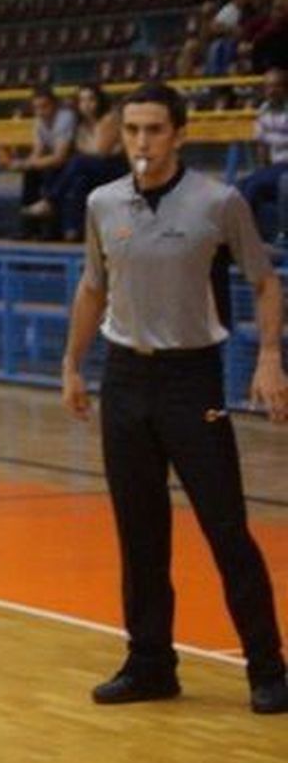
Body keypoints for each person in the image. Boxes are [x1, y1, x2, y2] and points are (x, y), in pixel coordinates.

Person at [61, 80, 288, 716]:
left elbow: (267, 284)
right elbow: (91, 289)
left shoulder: (220, 203)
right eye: (131, 130)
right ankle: (150, 663)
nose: (141, 141)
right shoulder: (104, 204)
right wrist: (72, 364)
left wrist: (270, 357)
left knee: (226, 529)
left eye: (154, 129)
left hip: (193, 382)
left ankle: (268, 668)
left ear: (180, 134)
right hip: (125, 381)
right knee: (139, 532)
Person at [21, 83, 127, 242]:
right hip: (91, 168)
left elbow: (101, 152)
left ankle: (50, 201)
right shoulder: (81, 124)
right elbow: (83, 149)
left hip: (114, 168)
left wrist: (86, 148)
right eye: (82, 100)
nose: (87, 105)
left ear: (99, 101)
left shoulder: (108, 119)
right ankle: (71, 231)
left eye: (91, 99)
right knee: (77, 180)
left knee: (76, 163)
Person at [0, 83, 76, 240]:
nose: (41, 112)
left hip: (73, 162)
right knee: (31, 172)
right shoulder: (39, 121)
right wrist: (23, 165)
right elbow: (38, 152)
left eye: (44, 106)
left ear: (54, 104)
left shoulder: (65, 118)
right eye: (36, 108)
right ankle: (28, 226)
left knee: (48, 170)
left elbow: (60, 156)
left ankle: (50, 228)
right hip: (56, 162)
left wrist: (28, 163)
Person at [234, 68, 288, 243]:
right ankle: (254, 236)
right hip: (274, 167)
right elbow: (262, 145)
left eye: (277, 86)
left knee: (254, 185)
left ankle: (242, 237)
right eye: (268, 87)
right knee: (241, 184)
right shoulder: (264, 110)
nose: (272, 91)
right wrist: (262, 168)